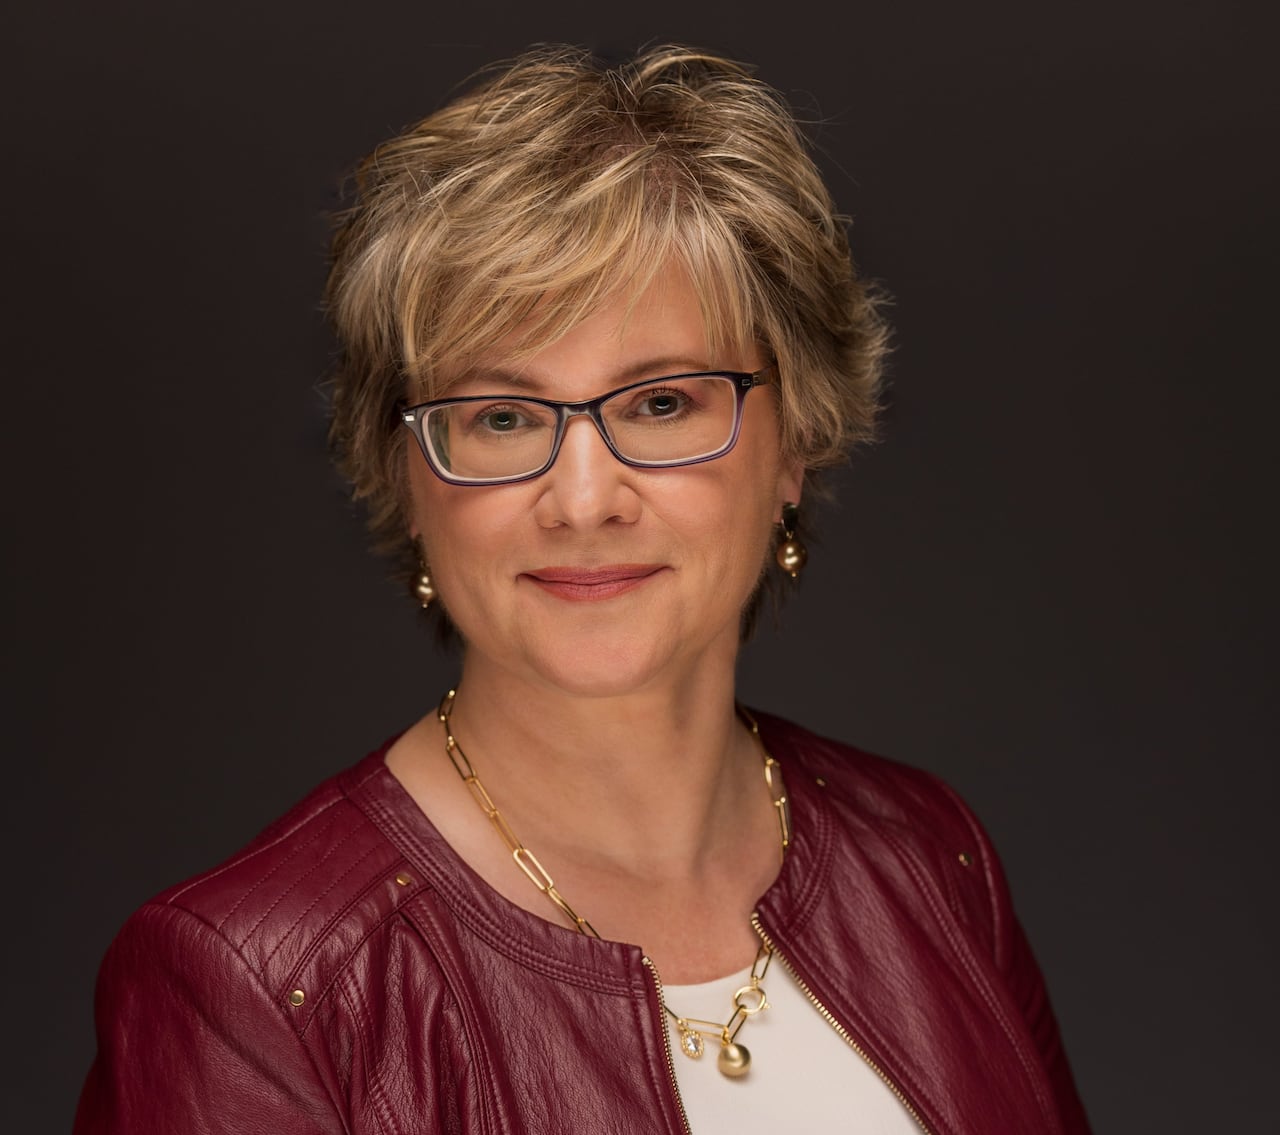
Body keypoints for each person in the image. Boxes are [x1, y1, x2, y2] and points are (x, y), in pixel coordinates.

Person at [75, 44, 1090, 1134]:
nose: (583, 498)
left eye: (660, 402)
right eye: (503, 417)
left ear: (793, 439)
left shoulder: (926, 852)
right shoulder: (257, 981)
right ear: (407, 476)